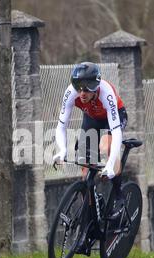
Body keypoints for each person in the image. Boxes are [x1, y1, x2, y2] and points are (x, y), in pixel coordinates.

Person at [52, 61, 128, 220]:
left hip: (112, 118)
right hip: (92, 119)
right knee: (85, 169)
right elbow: (61, 126)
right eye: (79, 88)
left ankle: (119, 194)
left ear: (96, 87)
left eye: (87, 89)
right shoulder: (71, 92)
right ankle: (91, 209)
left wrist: (109, 163)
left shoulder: (106, 93)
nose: (82, 93)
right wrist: (62, 150)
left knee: (105, 145)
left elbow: (116, 132)